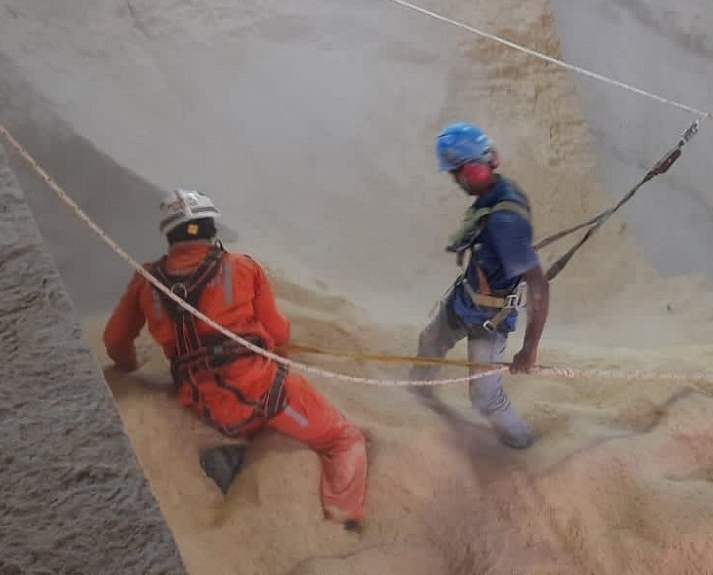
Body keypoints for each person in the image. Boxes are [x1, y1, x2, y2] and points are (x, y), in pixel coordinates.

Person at [102, 188, 368, 529]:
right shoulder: (241, 268)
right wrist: (277, 362)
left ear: (169, 234)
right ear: (211, 227)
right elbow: (278, 331)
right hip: (266, 396)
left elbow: (115, 340)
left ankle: (234, 455)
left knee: (245, 419)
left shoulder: (146, 280)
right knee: (343, 439)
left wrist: (128, 368)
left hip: (198, 402)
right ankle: (343, 518)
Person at [409, 122, 550, 449]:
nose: (455, 181)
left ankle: (520, 442)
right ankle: (417, 398)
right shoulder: (495, 193)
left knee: (486, 398)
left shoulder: (504, 220)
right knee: (430, 340)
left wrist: (528, 349)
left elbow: (539, 286)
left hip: (490, 321)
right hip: (466, 299)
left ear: (471, 170)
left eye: (456, 173)